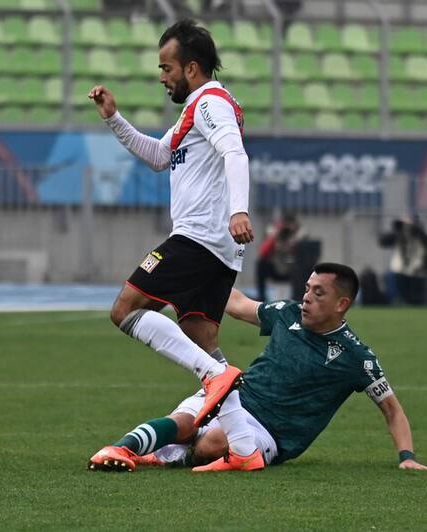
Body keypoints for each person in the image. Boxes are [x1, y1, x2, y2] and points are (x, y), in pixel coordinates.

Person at [88, 19, 258, 462]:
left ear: (193, 68)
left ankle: (210, 376)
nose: (161, 77)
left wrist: (239, 209)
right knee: (203, 341)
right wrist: (114, 119)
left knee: (125, 309)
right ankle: (243, 448)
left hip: (199, 238)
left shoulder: (210, 102)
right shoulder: (195, 108)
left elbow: (234, 153)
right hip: (217, 249)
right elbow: (160, 156)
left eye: (167, 68)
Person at [87, 263, 427, 472]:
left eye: (318, 293)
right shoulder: (287, 314)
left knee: (211, 442)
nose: (307, 298)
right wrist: (201, 272)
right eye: (307, 289)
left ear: (341, 304)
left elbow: (392, 410)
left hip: (272, 434)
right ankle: (118, 449)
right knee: (185, 422)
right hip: (235, 394)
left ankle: (168, 457)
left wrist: (406, 456)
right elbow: (238, 304)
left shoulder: (356, 356)